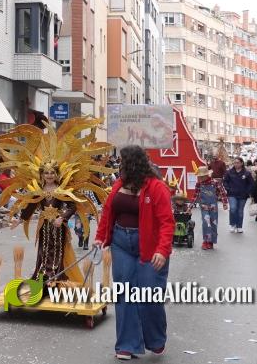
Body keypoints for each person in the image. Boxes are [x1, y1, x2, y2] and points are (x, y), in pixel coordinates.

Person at [94, 145, 174, 361]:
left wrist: (162, 250)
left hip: (149, 246)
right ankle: (127, 345)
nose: (119, 164)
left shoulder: (157, 188)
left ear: (132, 163)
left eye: (122, 161)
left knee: (149, 294)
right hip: (121, 244)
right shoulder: (119, 184)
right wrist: (100, 237)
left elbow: (167, 222)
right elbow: (108, 212)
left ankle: (156, 340)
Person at [192, 164, 227, 250]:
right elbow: (195, 196)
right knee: (206, 223)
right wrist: (190, 207)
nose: (200, 178)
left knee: (213, 224)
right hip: (204, 207)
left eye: (201, 176)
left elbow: (222, 192)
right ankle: (205, 241)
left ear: (206, 175)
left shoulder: (215, 182)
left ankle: (211, 242)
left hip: (213, 207)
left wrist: (225, 203)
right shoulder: (199, 184)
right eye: (199, 176)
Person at [222, 157, 252, 233]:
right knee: (233, 208)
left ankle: (239, 226)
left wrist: (247, 191)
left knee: (240, 210)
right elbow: (225, 181)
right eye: (235, 162)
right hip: (232, 194)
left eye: (238, 162)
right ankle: (233, 224)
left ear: (242, 163)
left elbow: (251, 183)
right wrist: (228, 188)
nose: (236, 164)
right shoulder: (229, 172)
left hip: (243, 195)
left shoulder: (247, 173)